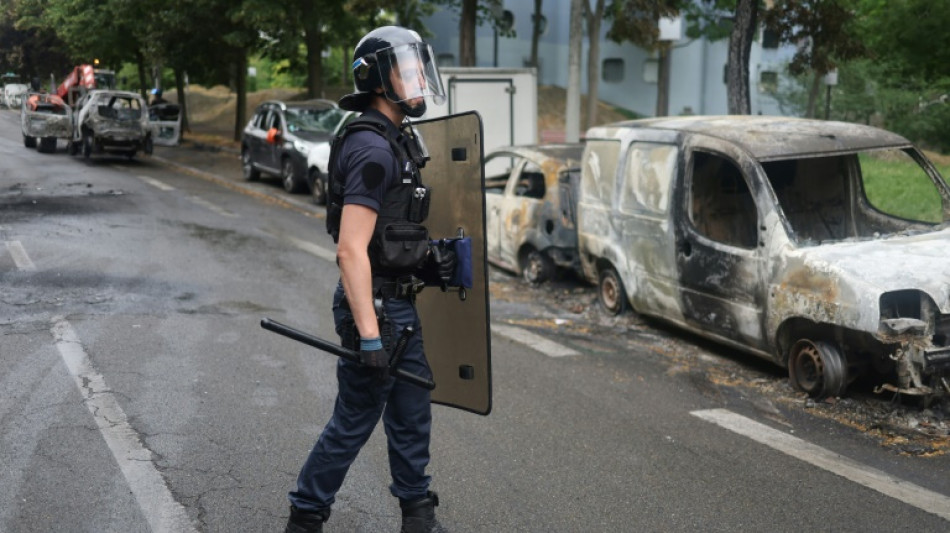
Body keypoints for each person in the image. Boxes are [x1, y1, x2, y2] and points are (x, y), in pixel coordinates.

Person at [285, 26, 454, 533]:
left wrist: (425, 260)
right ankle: (305, 517)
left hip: (395, 303)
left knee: (411, 413)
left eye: (419, 67)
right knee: (355, 420)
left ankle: (417, 516)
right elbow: (350, 249)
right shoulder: (374, 151)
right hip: (377, 311)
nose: (419, 77)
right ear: (380, 79)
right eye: (407, 68)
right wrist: (371, 336)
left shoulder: (394, 140)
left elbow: (385, 237)